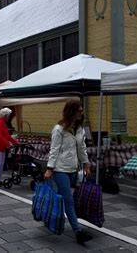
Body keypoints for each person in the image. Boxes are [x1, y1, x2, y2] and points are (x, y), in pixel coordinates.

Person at [44, 100, 92, 244]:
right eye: (79, 111)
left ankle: (50, 217)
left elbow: (82, 148)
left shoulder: (80, 129)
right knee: (68, 200)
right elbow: (54, 150)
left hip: (73, 169)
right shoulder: (59, 129)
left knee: (60, 198)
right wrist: (49, 168)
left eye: (82, 111)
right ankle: (78, 232)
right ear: (71, 111)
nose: (81, 113)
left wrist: (86, 164)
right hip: (60, 169)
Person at [0, 108, 19, 187]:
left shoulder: (2, 123)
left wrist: (15, 142)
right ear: (6, 115)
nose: (9, 117)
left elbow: (7, 136)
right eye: (9, 115)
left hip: (0, 146)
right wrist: (8, 144)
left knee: (0, 163)